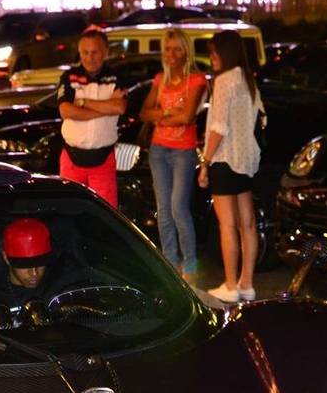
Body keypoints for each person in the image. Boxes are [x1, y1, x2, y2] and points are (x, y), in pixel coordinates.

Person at [198, 30, 265, 303]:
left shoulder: (224, 81)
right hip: (246, 159)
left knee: (227, 225)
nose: (212, 58)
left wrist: (205, 162)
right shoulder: (248, 80)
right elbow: (261, 118)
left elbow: (219, 127)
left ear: (224, 53)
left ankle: (230, 284)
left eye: (214, 53)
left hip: (225, 159)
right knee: (247, 224)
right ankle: (246, 284)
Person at [139, 28, 208, 283]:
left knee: (179, 208)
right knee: (164, 210)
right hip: (158, 150)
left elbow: (187, 117)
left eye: (177, 49)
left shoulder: (197, 80)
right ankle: (170, 264)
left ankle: (190, 266)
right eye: (167, 49)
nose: (171, 54)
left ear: (186, 52)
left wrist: (161, 116)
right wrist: (169, 115)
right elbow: (144, 113)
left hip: (183, 151)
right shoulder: (160, 79)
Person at [0, 218, 86, 328]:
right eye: (25, 265)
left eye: (40, 263)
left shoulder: (61, 289)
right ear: (6, 258)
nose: (34, 273)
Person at [57, 28, 126, 208]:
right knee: (69, 211)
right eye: (85, 53)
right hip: (71, 158)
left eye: (95, 52)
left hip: (103, 159)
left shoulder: (116, 77)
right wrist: (106, 108)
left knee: (105, 213)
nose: (89, 58)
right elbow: (66, 111)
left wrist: (83, 102)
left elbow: (119, 107)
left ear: (105, 52)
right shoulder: (69, 77)